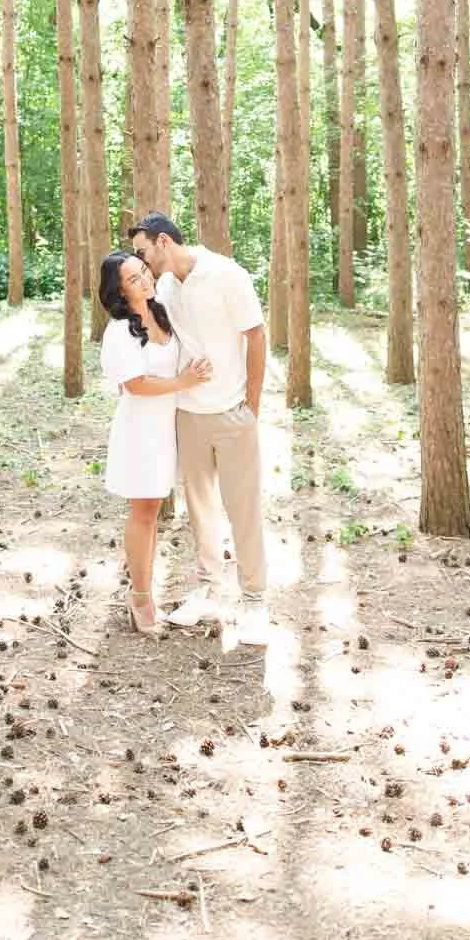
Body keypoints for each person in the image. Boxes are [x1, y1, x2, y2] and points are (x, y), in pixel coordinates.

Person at [129, 214, 269, 646]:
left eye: (143, 251)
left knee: (242, 508)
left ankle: (255, 599)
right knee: (201, 507)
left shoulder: (227, 275)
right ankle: (211, 589)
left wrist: (253, 406)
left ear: (164, 242)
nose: (141, 261)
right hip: (188, 414)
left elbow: (257, 336)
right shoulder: (166, 288)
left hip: (232, 411)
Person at [97, 249, 214, 636]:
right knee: (144, 513)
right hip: (140, 431)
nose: (145, 279)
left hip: (167, 428)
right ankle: (141, 597)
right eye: (133, 279)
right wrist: (183, 383)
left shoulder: (161, 311)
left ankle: (144, 591)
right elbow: (135, 384)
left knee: (153, 513)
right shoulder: (119, 331)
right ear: (118, 290)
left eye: (144, 272)